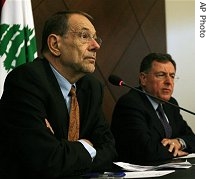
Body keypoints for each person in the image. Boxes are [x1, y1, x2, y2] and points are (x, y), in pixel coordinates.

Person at [0, 10, 117, 178]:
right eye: (84, 36)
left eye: (95, 38)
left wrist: (65, 149)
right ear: (55, 45)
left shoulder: (92, 87)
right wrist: (87, 146)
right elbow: (45, 160)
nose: (95, 45)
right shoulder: (26, 81)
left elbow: (109, 150)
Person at [110, 52, 195, 165]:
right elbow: (145, 150)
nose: (169, 82)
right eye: (161, 75)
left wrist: (179, 142)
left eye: (172, 76)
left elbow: (192, 138)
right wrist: (173, 151)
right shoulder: (130, 104)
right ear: (143, 78)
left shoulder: (171, 104)